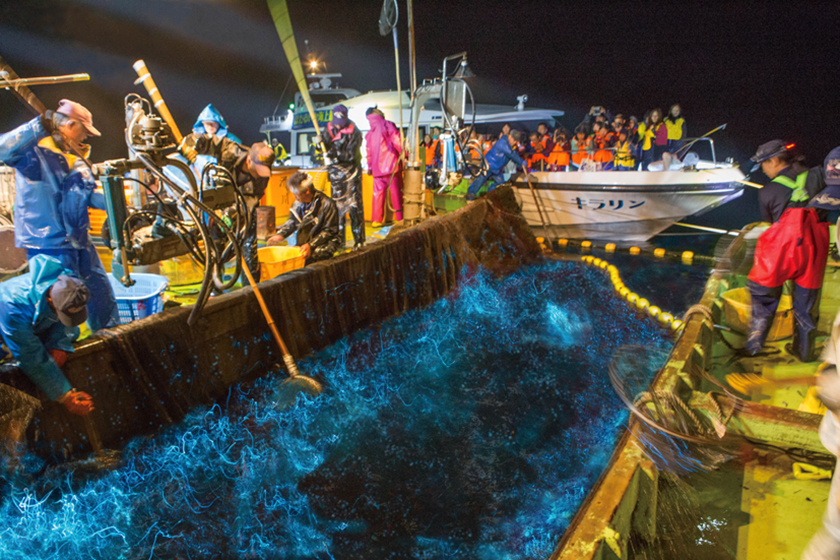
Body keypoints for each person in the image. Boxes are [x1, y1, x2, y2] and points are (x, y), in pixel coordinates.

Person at [0, 99, 117, 331]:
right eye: (84, 132)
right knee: (60, 303)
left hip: (79, 240)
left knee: (101, 293)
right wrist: (38, 125)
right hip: (48, 244)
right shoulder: (32, 152)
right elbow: (3, 148)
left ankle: (111, 337)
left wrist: (119, 209)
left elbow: (88, 195)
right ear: (70, 124)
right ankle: (63, 349)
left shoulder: (75, 159)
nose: (85, 138)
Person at [744, 140, 829, 361]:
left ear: (774, 161)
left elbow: (770, 225)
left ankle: (753, 348)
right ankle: (804, 354)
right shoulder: (818, 175)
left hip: (781, 253)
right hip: (813, 252)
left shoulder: (766, 192)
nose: (762, 169)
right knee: (806, 307)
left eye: (763, 164)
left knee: (763, 298)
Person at [0, 254, 95, 416]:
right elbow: (30, 355)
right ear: (50, 299)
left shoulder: (69, 283)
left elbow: (61, 323)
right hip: (9, 326)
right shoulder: (13, 306)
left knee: (72, 334)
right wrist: (65, 395)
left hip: (34, 323)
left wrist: (59, 343)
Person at [181, 137, 276, 281]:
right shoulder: (230, 151)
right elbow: (203, 140)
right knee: (216, 246)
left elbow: (253, 200)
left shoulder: (262, 176)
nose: (259, 174)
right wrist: (190, 147)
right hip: (220, 203)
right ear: (249, 160)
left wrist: (239, 219)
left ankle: (250, 288)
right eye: (258, 170)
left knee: (249, 248)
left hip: (244, 208)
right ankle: (214, 285)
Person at [315, 104, 364, 249]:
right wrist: (319, 145)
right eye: (336, 123)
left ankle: (359, 240)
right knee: (337, 209)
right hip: (335, 175)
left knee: (355, 207)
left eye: (340, 123)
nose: (337, 127)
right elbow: (324, 147)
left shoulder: (355, 132)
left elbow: (351, 155)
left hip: (351, 173)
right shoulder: (328, 128)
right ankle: (339, 241)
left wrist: (332, 156)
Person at [266, 171, 341, 263]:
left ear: (306, 190)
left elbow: (329, 231)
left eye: (296, 193)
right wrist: (281, 234)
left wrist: (311, 245)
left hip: (324, 245)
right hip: (306, 244)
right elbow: (292, 221)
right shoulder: (298, 204)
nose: (294, 197)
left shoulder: (327, 204)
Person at [181, 104, 242, 182]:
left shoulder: (231, 140)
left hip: (222, 180)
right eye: (207, 123)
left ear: (219, 123)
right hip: (198, 181)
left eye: (213, 123)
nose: (210, 126)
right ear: (202, 123)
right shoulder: (193, 139)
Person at [365, 107, 404, 226]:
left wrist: (370, 167)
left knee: (377, 194)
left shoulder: (369, 133)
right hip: (391, 166)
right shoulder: (387, 124)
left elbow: (369, 153)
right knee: (396, 193)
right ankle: (399, 218)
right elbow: (397, 140)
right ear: (375, 112)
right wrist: (406, 153)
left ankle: (376, 220)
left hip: (376, 170)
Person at [466, 132, 526, 201]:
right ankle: (469, 199)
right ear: (510, 137)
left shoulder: (512, 146)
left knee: (500, 184)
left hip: (497, 169)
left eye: (516, 141)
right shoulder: (502, 142)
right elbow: (511, 154)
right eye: (514, 140)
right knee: (478, 182)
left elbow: (514, 156)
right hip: (488, 165)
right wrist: (521, 161)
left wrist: (520, 165)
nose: (515, 142)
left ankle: (490, 196)